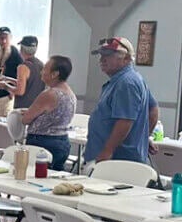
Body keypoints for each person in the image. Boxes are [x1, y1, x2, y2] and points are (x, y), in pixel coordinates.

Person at [84, 37, 157, 165]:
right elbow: (153, 109)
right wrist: (144, 137)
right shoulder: (130, 79)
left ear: (127, 58)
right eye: (101, 55)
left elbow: (125, 121)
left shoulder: (126, 83)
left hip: (118, 159)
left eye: (108, 55)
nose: (102, 60)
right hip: (120, 156)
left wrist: (108, 151)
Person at [20, 55, 77, 172]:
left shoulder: (49, 94)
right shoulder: (70, 93)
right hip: (62, 141)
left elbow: (26, 119)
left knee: (36, 178)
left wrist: (28, 113)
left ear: (55, 74)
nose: (42, 71)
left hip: (43, 143)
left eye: (45, 68)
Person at [0, 26, 22, 119]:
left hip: (6, 96)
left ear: (10, 38)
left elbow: (20, 76)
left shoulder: (16, 54)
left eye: (5, 38)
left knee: (2, 122)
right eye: (0, 38)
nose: (3, 41)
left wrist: (12, 93)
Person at [9, 35, 45, 110]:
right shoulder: (41, 64)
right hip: (37, 108)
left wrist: (5, 86)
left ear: (22, 49)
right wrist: (7, 79)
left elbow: (20, 91)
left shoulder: (23, 67)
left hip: (23, 110)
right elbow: (29, 84)